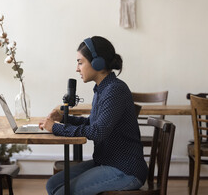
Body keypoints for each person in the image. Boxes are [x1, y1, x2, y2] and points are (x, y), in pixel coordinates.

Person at [39, 36, 148, 195]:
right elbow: (92, 123)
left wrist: (55, 128)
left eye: (80, 62)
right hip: (106, 162)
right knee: (52, 185)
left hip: (125, 170)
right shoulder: (101, 89)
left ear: (98, 63)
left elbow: (98, 132)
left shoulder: (115, 90)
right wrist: (63, 119)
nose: (77, 68)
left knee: (62, 192)